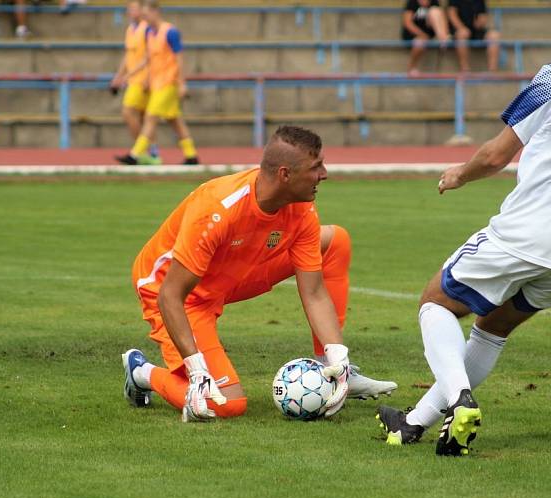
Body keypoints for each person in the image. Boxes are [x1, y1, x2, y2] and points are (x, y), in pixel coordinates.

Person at [375, 0, 551, 456]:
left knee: (434, 303)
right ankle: (411, 423)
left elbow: (497, 153)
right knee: (492, 326)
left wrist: (459, 174)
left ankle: (460, 401)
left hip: (529, 232)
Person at [121, 126, 398, 422]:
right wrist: (196, 368)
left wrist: (337, 356)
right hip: (176, 292)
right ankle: (142, 372)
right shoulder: (217, 208)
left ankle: (327, 368)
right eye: (315, 167)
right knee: (225, 405)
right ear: (284, 174)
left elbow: (314, 293)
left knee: (334, 241)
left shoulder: (301, 208)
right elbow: (170, 295)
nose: (325, 174)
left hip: (232, 273)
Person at [116, 0, 198, 165]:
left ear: (156, 12)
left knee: (150, 117)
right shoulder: (150, 33)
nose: (144, 18)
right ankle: (191, 155)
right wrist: (129, 75)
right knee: (175, 120)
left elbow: (179, 59)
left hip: (168, 83)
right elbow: (148, 58)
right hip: (156, 83)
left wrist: (182, 83)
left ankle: (135, 154)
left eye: (146, 14)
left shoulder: (170, 32)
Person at [110, 0, 157, 160]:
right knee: (143, 117)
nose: (131, 11)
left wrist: (148, 77)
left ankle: (141, 151)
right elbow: (128, 55)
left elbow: (150, 56)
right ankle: (148, 152)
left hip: (142, 78)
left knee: (128, 112)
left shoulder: (147, 29)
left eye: (134, 8)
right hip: (133, 78)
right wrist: (119, 75)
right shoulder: (130, 29)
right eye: (129, 9)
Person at [447, 0, 500, 72]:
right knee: (462, 35)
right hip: (459, 30)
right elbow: (452, 14)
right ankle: (465, 69)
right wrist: (461, 28)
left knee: (494, 35)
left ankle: (492, 71)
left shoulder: (480, 1)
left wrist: (481, 21)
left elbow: (483, 16)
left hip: (476, 31)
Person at [401, 0, 450, 76]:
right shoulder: (412, 2)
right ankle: (411, 67)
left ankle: (442, 39)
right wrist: (421, 34)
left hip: (429, 33)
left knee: (435, 11)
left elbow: (442, 17)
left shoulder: (434, 2)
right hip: (413, 34)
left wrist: (445, 32)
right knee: (419, 42)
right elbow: (407, 23)